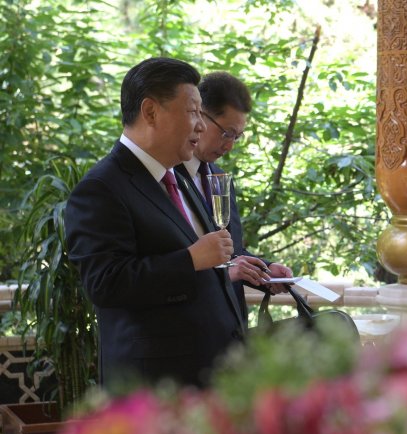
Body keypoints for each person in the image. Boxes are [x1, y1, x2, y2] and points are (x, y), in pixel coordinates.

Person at [65, 57, 245, 390]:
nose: (202, 126)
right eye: (193, 112)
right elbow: (105, 284)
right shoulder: (101, 188)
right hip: (154, 390)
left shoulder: (180, 177)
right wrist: (190, 260)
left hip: (213, 379)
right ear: (150, 112)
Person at [174, 72, 293, 321]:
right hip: (190, 323)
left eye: (236, 137)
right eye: (226, 133)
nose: (229, 146)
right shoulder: (168, 177)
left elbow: (231, 252)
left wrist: (265, 269)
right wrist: (226, 272)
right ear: (200, 116)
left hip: (230, 328)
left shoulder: (219, 176)